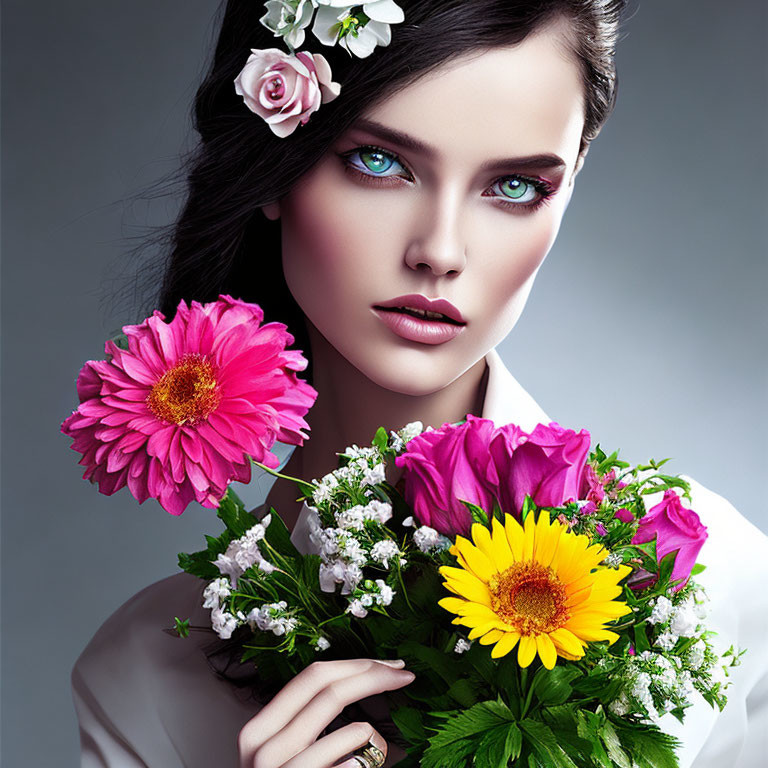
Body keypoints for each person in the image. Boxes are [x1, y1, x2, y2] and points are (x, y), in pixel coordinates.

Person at [70, 1, 768, 766]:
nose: (440, 250)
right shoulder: (142, 677)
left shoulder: (710, 578)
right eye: (379, 162)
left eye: (514, 187)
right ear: (273, 166)